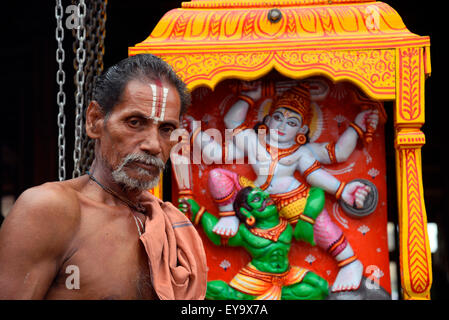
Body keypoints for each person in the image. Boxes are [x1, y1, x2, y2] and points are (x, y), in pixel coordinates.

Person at [0, 54, 207, 300]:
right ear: (95, 121)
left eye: (166, 130)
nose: (153, 145)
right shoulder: (49, 210)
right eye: (135, 122)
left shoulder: (166, 224)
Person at [184, 81, 379, 292]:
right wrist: (194, 131)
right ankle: (228, 215)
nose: (282, 126)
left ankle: (349, 262)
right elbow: (223, 138)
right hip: (255, 198)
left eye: (292, 123)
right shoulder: (253, 140)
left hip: (292, 199)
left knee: (320, 221)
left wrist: (341, 188)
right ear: (267, 119)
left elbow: (331, 160)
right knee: (217, 176)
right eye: (278, 118)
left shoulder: (301, 151)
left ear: (303, 129)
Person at [179, 187, 329, 300]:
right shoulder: (246, 232)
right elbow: (218, 237)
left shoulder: (287, 223)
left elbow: (317, 193)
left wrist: (308, 217)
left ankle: (270, 297)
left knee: (321, 288)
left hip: (287, 274)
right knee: (222, 292)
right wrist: (200, 213)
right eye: (257, 199)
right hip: (257, 276)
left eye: (264, 194)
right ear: (246, 212)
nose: (266, 197)